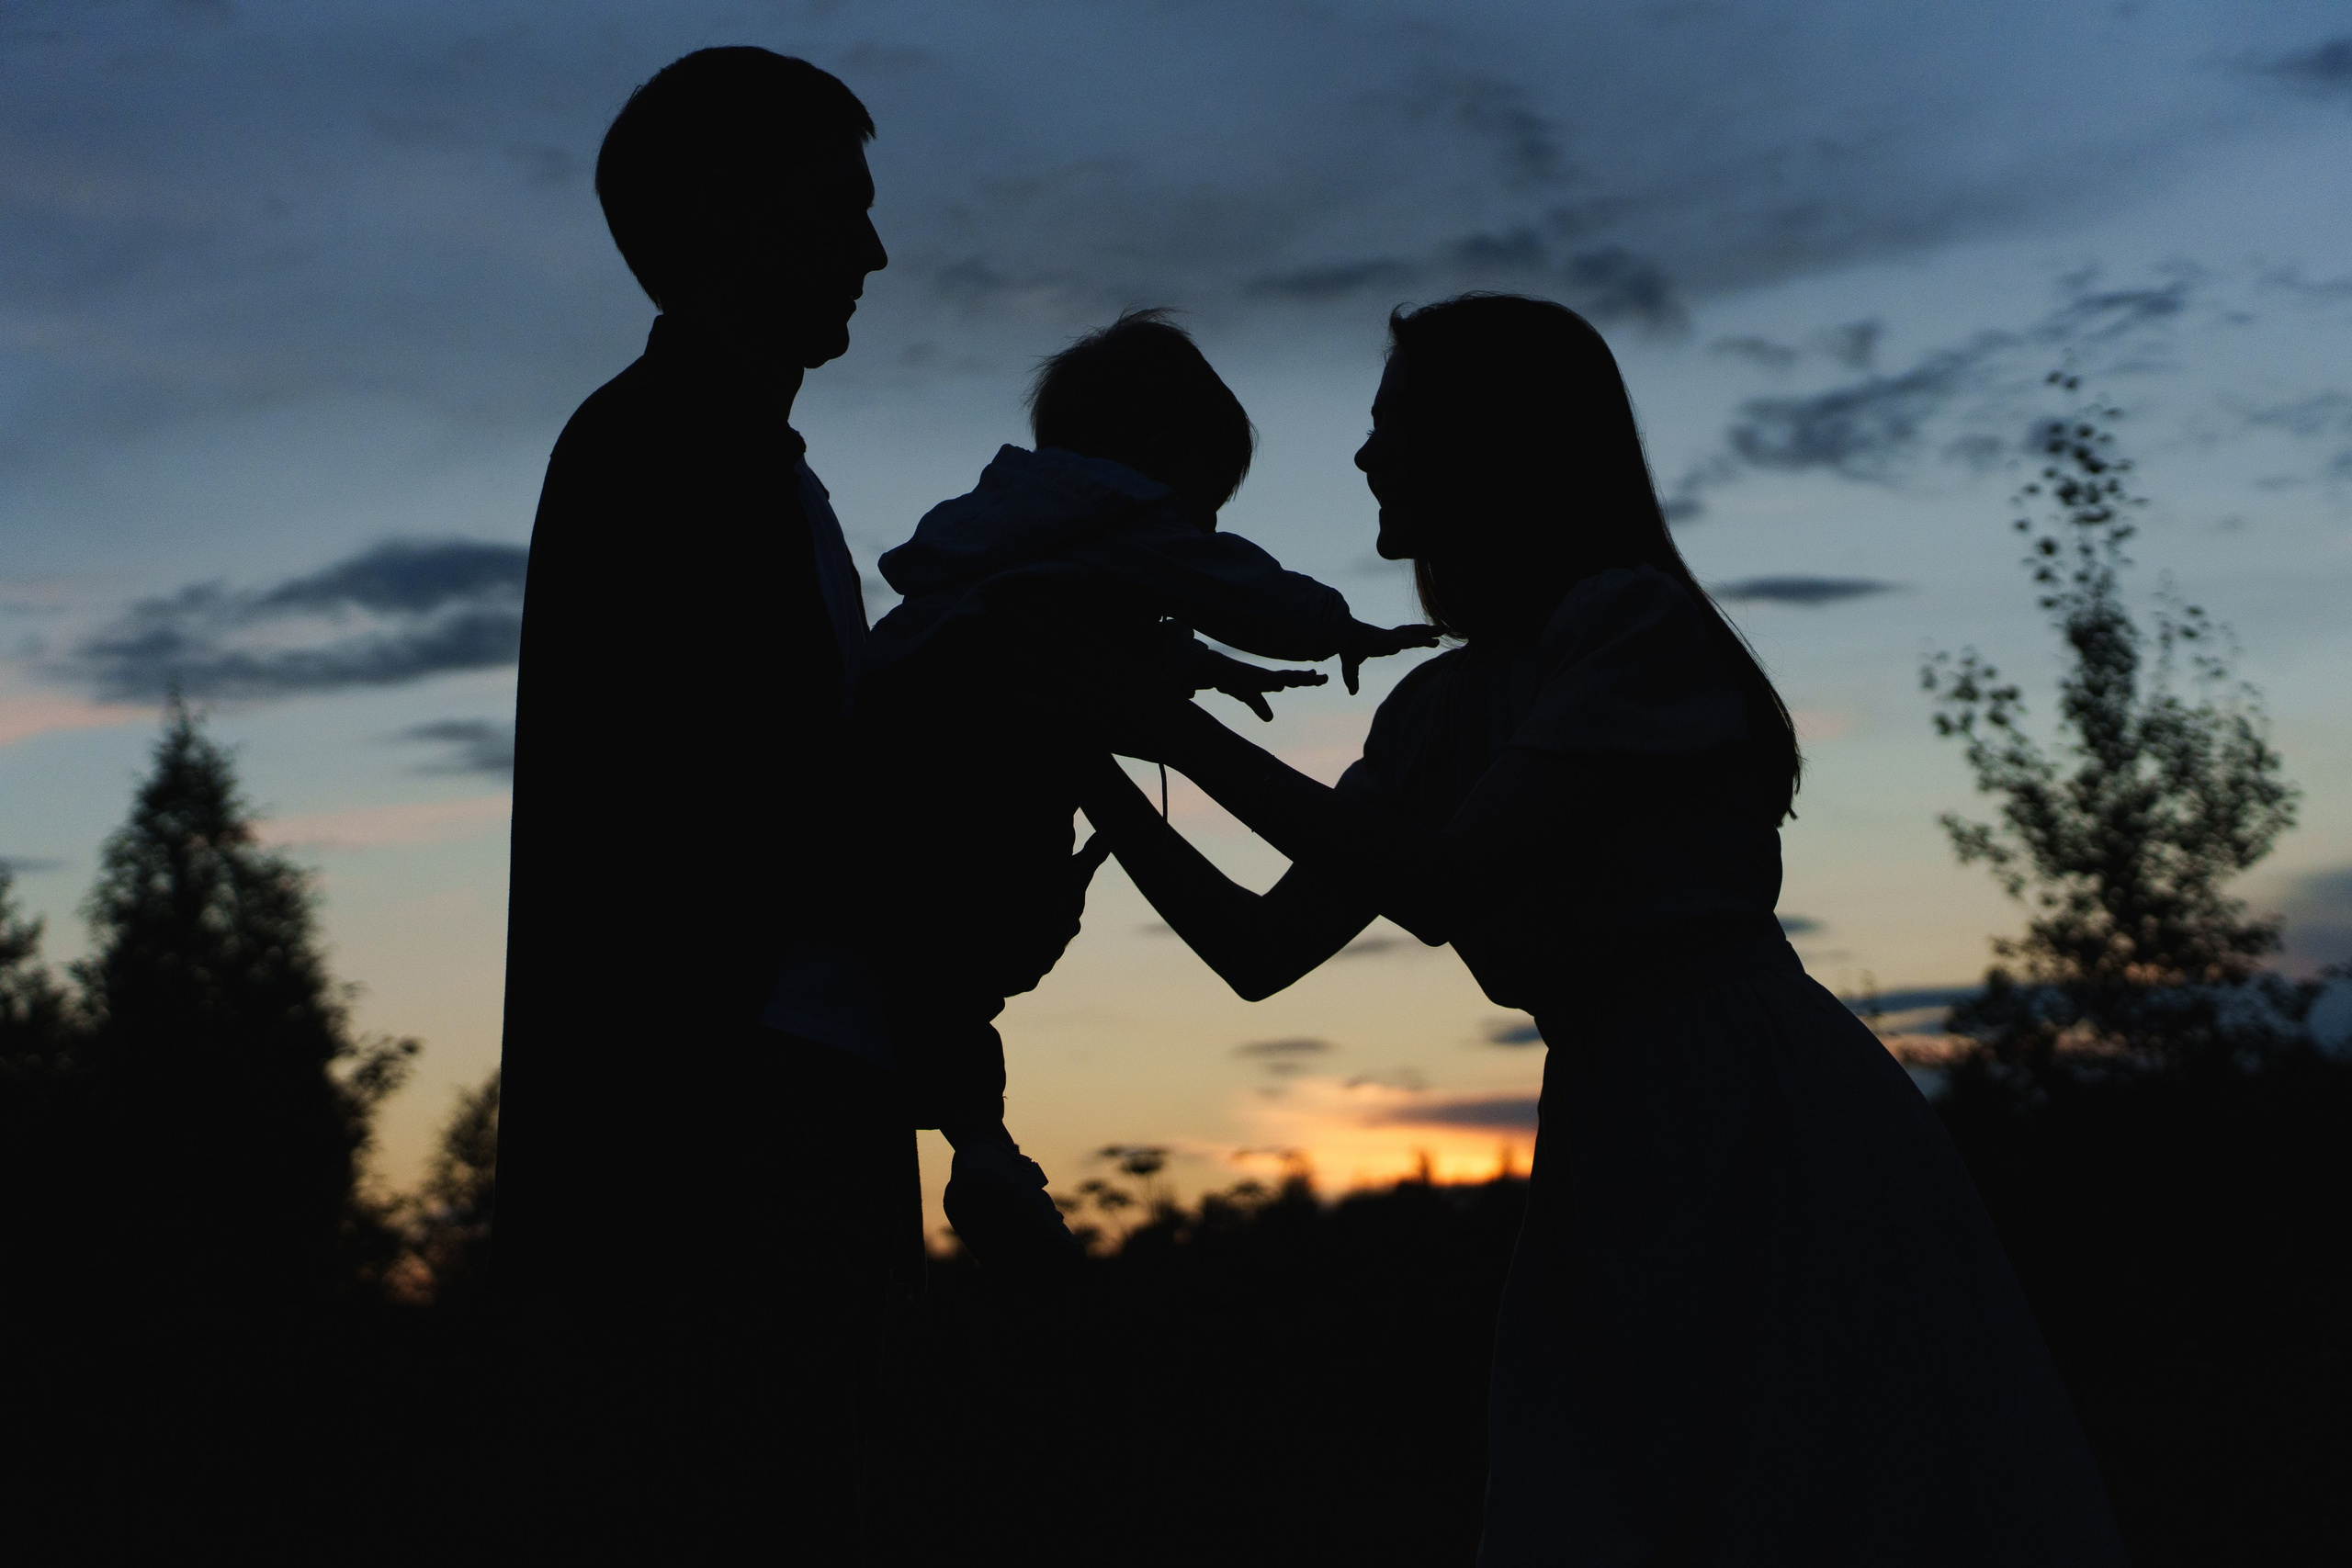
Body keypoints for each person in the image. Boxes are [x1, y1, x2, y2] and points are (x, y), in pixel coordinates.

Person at [1080, 294, 2129, 1563]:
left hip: (1753, 1105)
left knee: (1815, 1473)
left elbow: (1448, 881)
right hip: (1614, 1128)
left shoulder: (1631, 630)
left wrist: (1169, 724)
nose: (1365, 454)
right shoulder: (1435, 708)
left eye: (1395, 424)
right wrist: (1085, 744)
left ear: (1496, 447)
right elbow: (1258, 951)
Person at [495, 48, 915, 1557]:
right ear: (731, 212)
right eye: (840, 205)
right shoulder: (660, 454)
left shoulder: (740, 462)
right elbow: (727, 816)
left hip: (793, 1103)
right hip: (734, 1128)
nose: (875, 249)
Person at [855, 310, 1432, 1269]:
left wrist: (1196, 673)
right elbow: (1238, 588)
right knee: (993, 931)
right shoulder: (1123, 511)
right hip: (993, 764)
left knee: (929, 960)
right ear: (1160, 454)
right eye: (1204, 502)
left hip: (895, 754)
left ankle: (977, 1138)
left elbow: (1105, 633)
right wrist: (1340, 628)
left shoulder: (1011, 524)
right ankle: (979, 1141)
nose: (1203, 527)